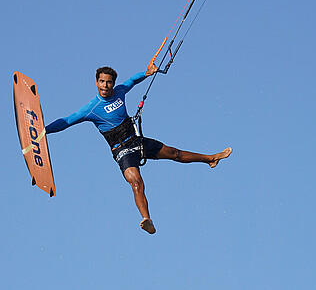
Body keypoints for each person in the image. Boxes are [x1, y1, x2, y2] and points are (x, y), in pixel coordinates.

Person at [45, 65, 232, 234]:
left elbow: (132, 81)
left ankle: (211, 159)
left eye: (108, 82)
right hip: (122, 151)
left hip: (137, 141)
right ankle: (147, 219)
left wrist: (147, 72)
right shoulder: (91, 109)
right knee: (136, 182)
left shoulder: (120, 91)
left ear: (113, 84)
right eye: (102, 81)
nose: (105, 85)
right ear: (96, 83)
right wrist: (44, 130)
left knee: (175, 153)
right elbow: (67, 121)